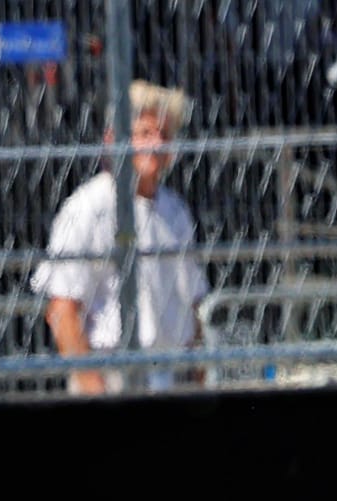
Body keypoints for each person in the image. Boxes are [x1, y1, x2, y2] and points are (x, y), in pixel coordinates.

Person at [30, 81, 208, 396]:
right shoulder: (89, 207)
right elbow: (62, 310)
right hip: (111, 378)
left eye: (164, 135)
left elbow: (193, 310)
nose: (155, 145)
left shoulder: (175, 211)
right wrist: (94, 389)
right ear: (113, 139)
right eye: (143, 133)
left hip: (173, 379)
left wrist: (200, 380)